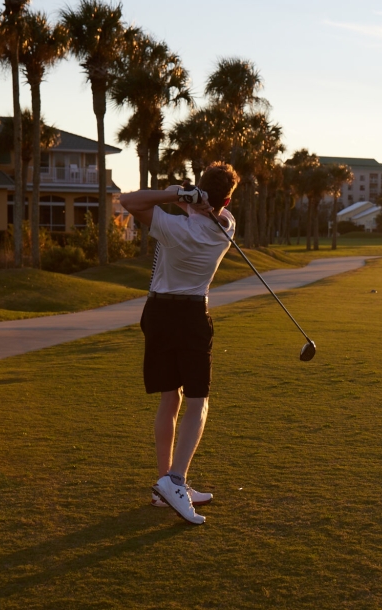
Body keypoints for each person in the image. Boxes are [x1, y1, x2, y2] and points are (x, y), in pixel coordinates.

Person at [120, 162, 239, 525]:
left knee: (171, 397)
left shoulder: (172, 227)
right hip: (191, 317)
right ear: (228, 198)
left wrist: (176, 193)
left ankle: (166, 485)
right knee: (198, 401)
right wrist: (195, 201)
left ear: (199, 191)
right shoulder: (227, 227)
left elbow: (129, 200)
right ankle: (173, 481)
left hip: (157, 313)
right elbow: (209, 211)